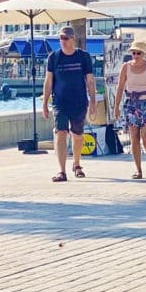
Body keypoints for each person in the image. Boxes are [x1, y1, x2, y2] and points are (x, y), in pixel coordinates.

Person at [42, 25, 96, 182]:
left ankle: (77, 164)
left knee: (77, 135)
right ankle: (61, 171)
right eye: (60, 38)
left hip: (79, 101)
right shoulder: (54, 57)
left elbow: (90, 81)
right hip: (60, 102)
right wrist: (45, 102)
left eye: (65, 38)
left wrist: (93, 102)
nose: (62, 41)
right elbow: (48, 81)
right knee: (60, 133)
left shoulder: (83, 56)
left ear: (73, 39)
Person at [113, 41, 146, 179]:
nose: (135, 55)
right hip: (131, 105)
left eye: (138, 53)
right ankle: (138, 169)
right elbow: (119, 88)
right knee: (134, 138)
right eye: (133, 53)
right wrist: (116, 107)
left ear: (144, 54)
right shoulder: (126, 67)